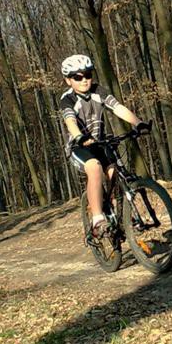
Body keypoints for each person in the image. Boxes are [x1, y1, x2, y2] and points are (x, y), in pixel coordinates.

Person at [58, 54, 150, 239]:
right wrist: (79, 136)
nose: (84, 80)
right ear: (68, 80)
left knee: (115, 173)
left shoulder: (99, 91)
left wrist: (138, 123)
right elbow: (70, 121)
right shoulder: (67, 99)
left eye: (88, 75)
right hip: (79, 147)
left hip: (99, 143)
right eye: (77, 77)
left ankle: (122, 215)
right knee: (94, 168)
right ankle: (98, 219)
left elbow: (118, 108)